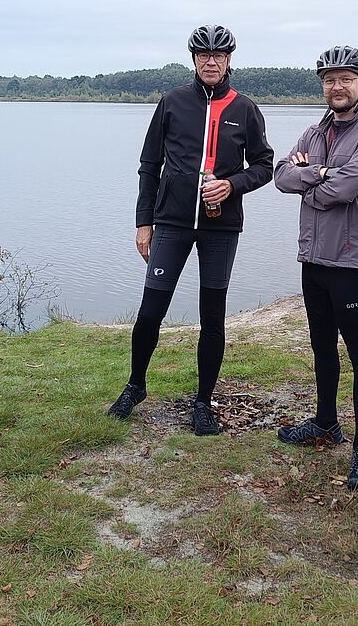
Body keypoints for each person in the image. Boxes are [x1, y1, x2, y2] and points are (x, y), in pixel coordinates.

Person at [107, 25, 274, 435]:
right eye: (204, 55)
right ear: (194, 59)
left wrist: (232, 184)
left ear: (230, 59)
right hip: (172, 222)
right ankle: (135, 385)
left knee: (212, 318)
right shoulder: (172, 102)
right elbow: (149, 165)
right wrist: (143, 222)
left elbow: (265, 165)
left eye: (219, 55)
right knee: (150, 312)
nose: (211, 62)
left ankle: (203, 402)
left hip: (221, 227)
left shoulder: (246, 109)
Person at [273, 45, 358, 491]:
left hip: (351, 261)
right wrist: (320, 175)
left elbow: (343, 190)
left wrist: (316, 177)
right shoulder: (313, 130)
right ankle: (327, 423)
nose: (336, 86)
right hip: (313, 258)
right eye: (329, 79)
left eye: (345, 78)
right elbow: (281, 176)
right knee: (322, 345)